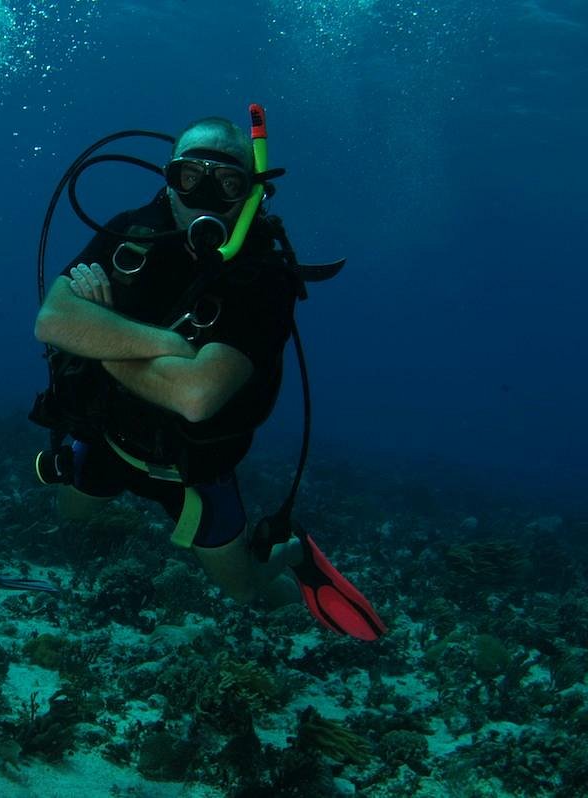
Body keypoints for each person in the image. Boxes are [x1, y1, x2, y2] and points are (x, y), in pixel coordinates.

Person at [31, 116, 385, 640]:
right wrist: (167, 345)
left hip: (192, 467)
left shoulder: (263, 277)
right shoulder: (131, 231)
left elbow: (196, 396)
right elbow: (53, 322)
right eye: (189, 177)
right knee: (74, 520)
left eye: (227, 182)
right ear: (167, 182)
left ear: (251, 195)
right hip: (107, 438)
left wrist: (104, 341)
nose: (204, 196)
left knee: (245, 592)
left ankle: (291, 551)